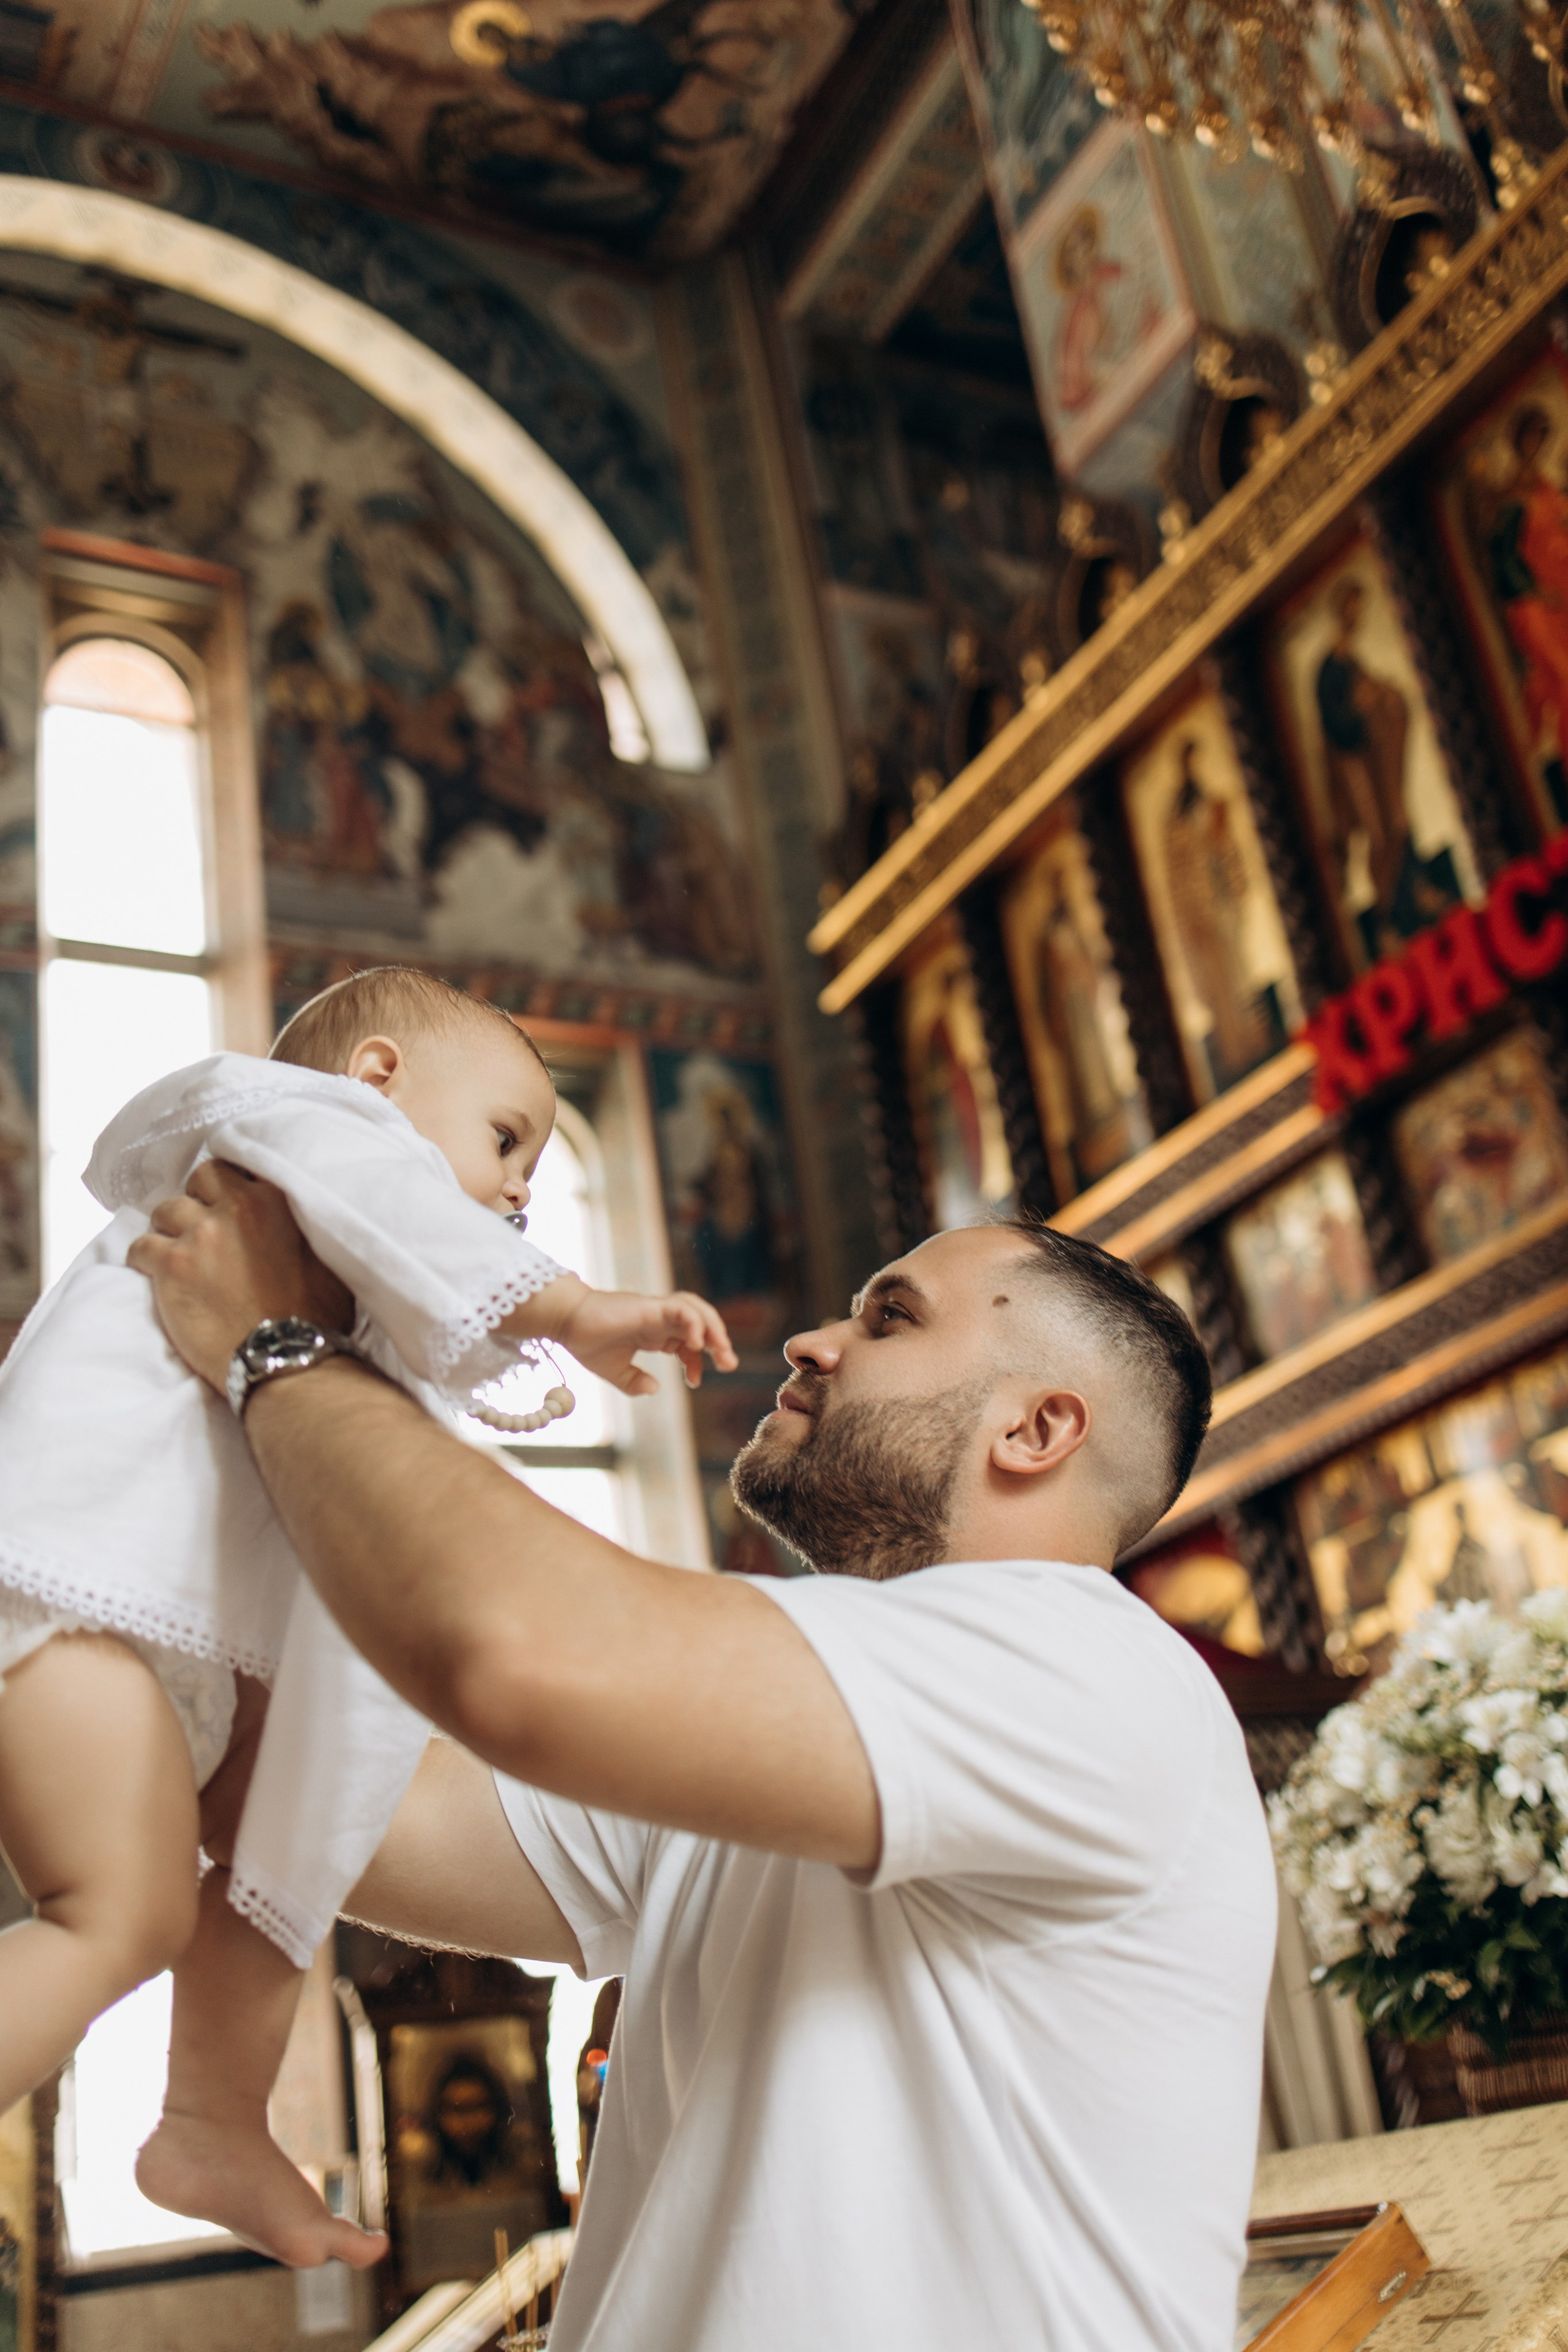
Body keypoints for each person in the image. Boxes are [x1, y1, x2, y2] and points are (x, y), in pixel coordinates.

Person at [131, 1183, 1278, 2352]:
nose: (812, 1342)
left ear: (1035, 1430)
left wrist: (275, 1349)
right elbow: (308, 1804)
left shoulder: (1085, 1667)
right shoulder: (777, 1731)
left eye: (891, 1319)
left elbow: (505, 1655)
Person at [0, 967, 733, 2271]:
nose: (518, 1190)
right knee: (112, 1916)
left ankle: (212, 2116)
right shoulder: (302, 1131)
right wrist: (572, 1307)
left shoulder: (350, 1285)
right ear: (380, 1076)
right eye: (507, 1138)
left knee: (275, 1862)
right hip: (68, 1584)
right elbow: (408, 1214)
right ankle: (201, 2104)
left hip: (170, 1637)